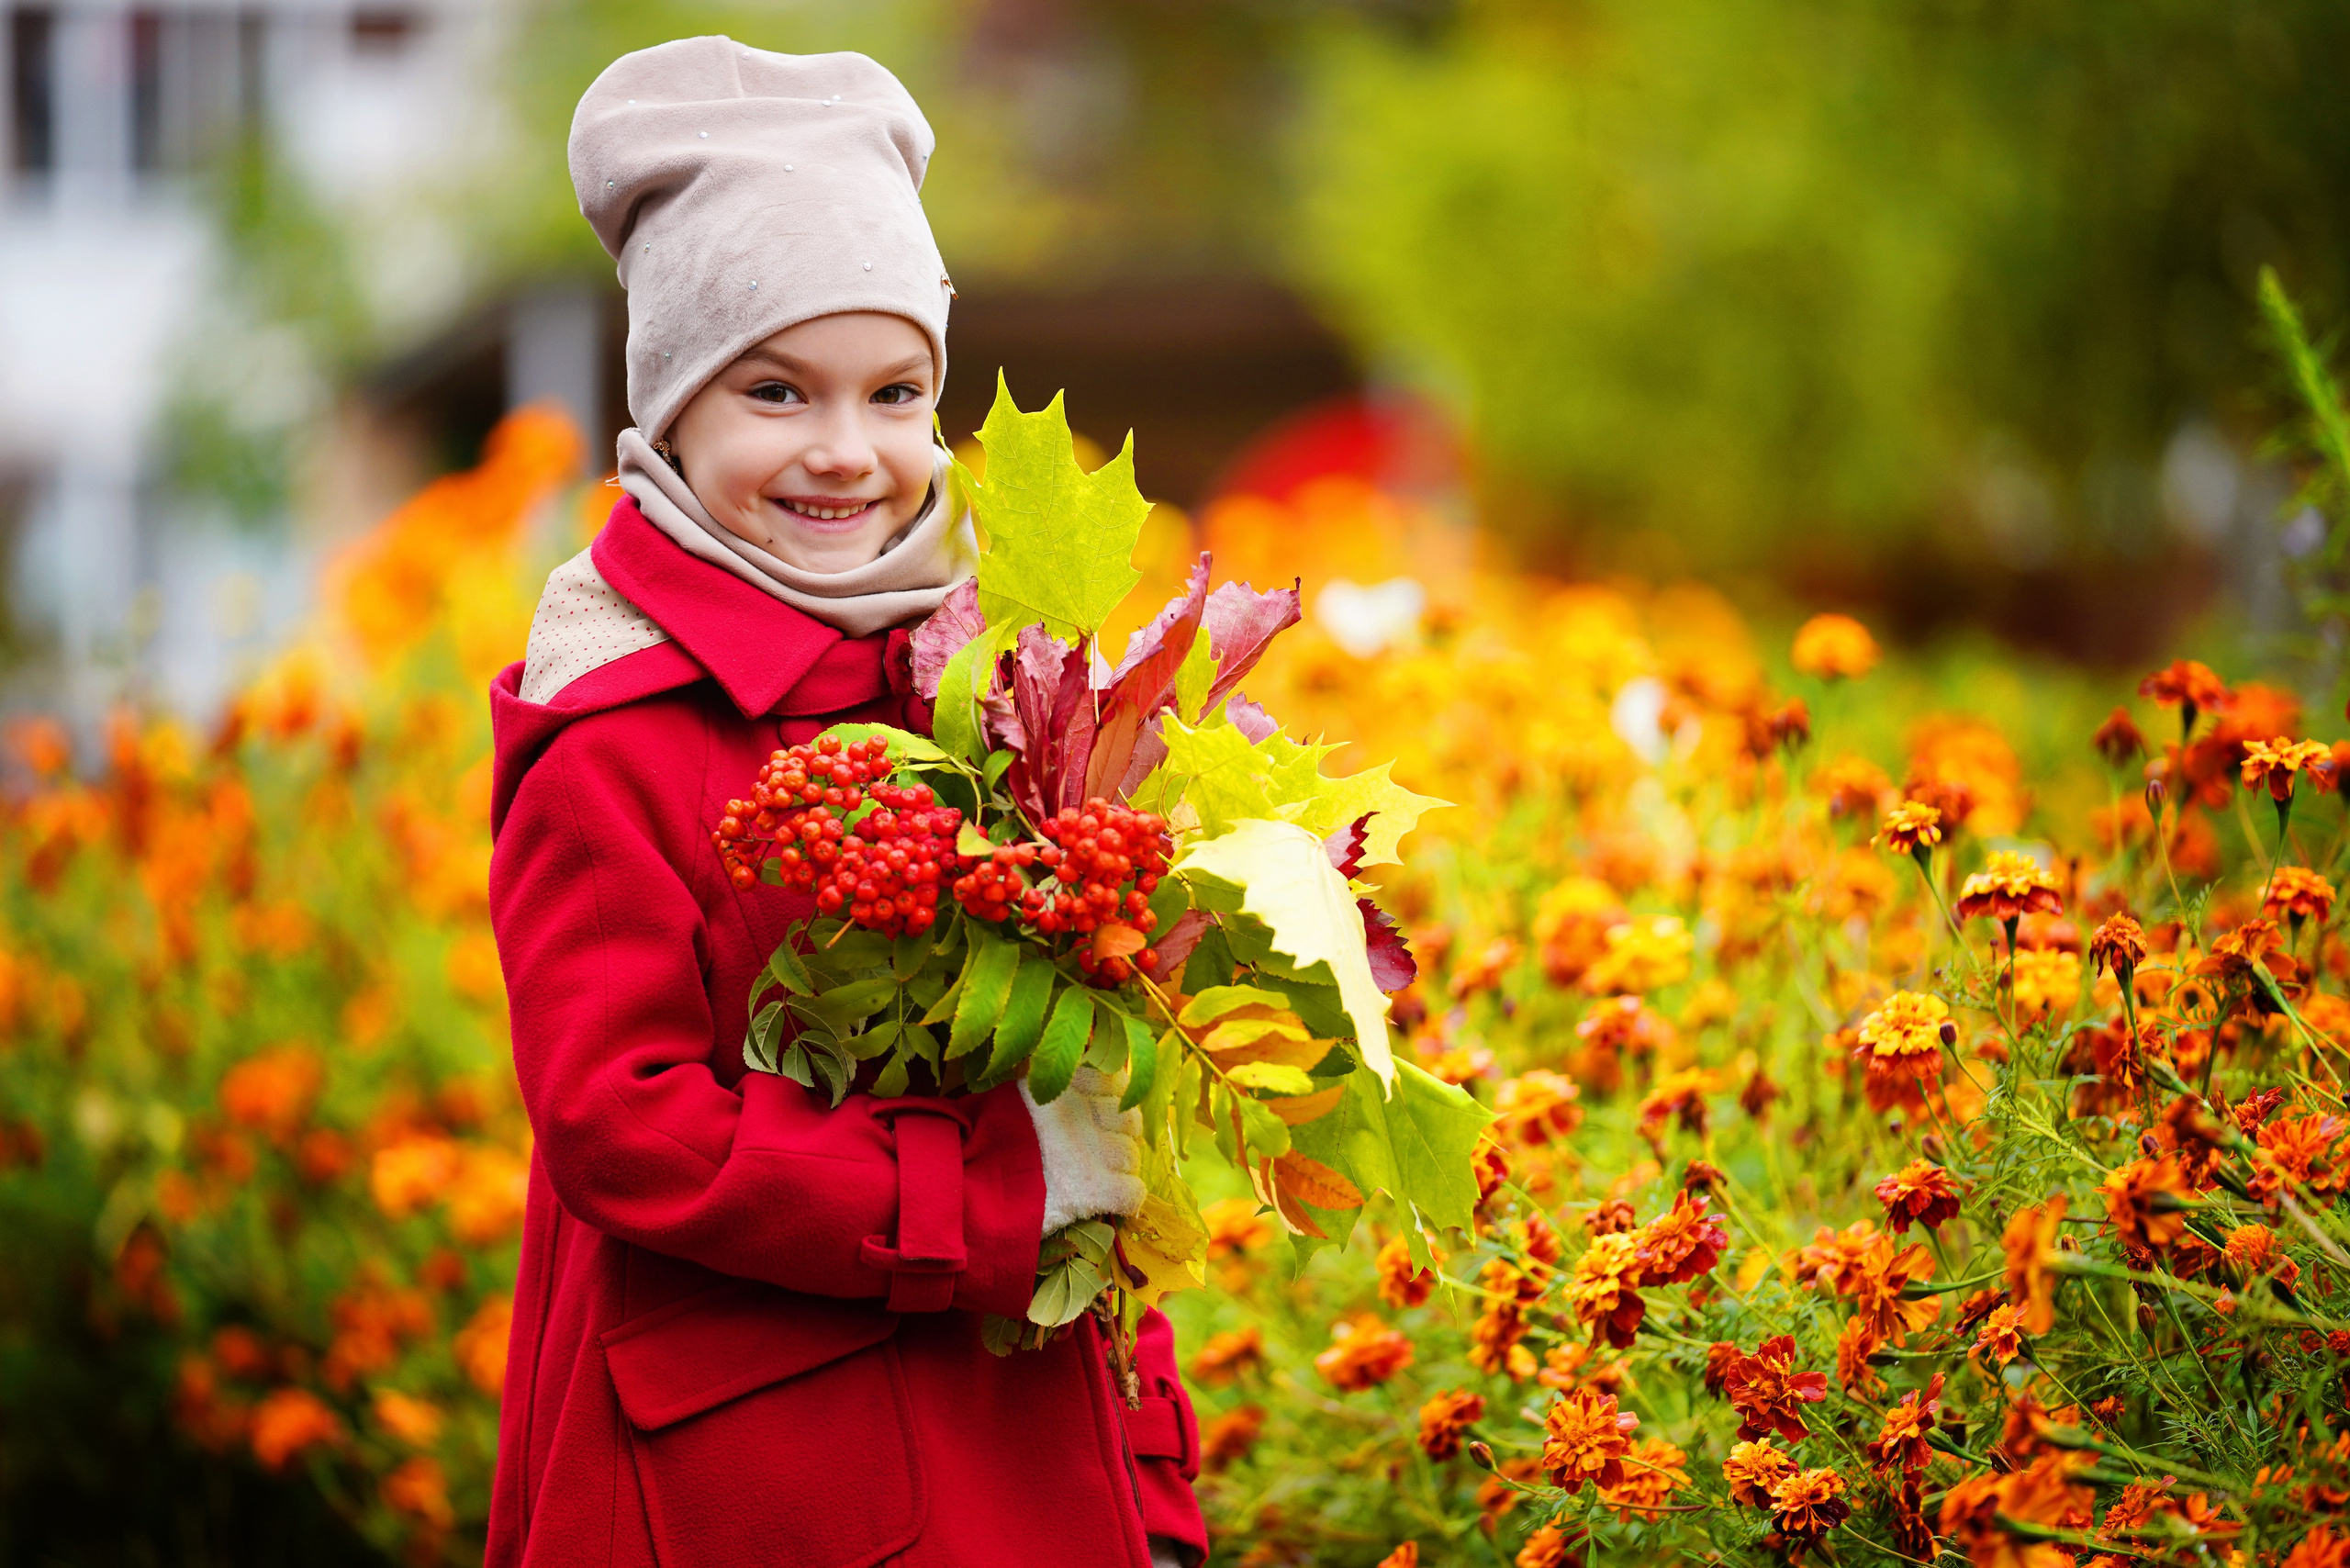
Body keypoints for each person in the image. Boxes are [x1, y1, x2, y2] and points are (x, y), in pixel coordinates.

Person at [485, 39, 1207, 1568]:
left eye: (896, 392)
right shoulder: (615, 730)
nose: (844, 451)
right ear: (670, 410)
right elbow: (624, 1125)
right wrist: (992, 1190)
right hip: (762, 1488)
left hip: (1022, 1450)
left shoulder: (993, 690)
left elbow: (1088, 1138)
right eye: (772, 389)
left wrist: (1147, 1482)